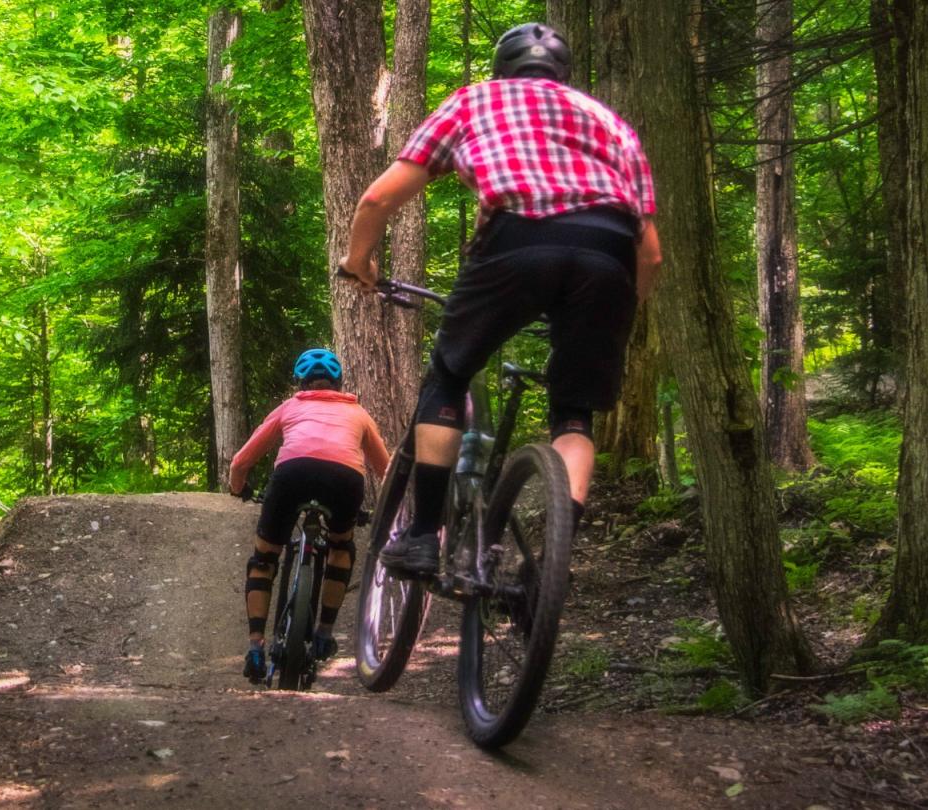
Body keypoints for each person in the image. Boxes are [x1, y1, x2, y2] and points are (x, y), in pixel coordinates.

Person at [338, 22, 662, 577]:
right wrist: (621, 309)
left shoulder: (473, 100)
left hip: (518, 239)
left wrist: (358, 261)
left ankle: (422, 537)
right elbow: (651, 255)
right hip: (610, 253)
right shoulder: (610, 122)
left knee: (448, 375)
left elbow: (377, 198)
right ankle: (551, 565)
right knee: (574, 417)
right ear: (563, 75)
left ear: (501, 68)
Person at [228, 348, 390, 682]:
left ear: (300, 383)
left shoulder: (291, 407)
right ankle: (324, 633)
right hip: (345, 482)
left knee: (264, 556)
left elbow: (240, 463)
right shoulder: (358, 413)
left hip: (292, 475)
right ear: (338, 382)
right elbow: (385, 469)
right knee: (341, 547)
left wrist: (238, 488)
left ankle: (256, 647)